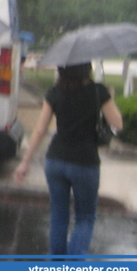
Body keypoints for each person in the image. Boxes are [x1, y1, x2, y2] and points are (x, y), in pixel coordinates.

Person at [14, 62, 123, 257]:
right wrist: (109, 97)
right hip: (85, 162)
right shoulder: (98, 91)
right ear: (87, 69)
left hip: (55, 161)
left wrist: (25, 162)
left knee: (58, 216)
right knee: (85, 218)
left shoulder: (54, 92)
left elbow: (39, 130)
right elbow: (117, 123)